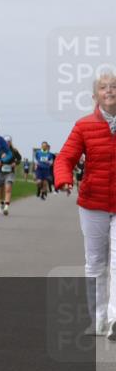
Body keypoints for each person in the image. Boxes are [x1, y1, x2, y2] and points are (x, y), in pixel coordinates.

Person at [54, 72, 116, 340]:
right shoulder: (84, 125)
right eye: (104, 87)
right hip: (93, 203)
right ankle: (98, 320)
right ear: (95, 96)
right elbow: (65, 158)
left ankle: (114, 320)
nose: (110, 90)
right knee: (95, 263)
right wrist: (64, 179)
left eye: (114, 86)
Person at [0, 136, 22, 216]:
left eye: (8, 141)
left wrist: (15, 163)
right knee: (1, 190)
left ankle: (6, 207)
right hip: (0, 172)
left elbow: (19, 159)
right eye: (5, 141)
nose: (7, 143)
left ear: (11, 142)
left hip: (10, 172)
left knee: (8, 189)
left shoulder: (14, 151)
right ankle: (1, 203)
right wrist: (0, 160)